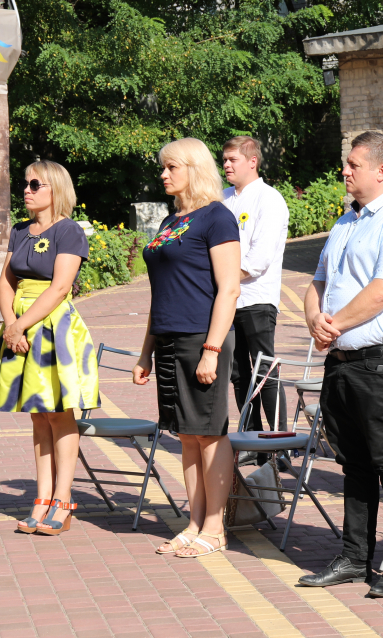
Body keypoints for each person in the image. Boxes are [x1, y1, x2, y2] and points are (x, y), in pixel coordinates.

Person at [297, 131, 383, 599]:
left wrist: (332, 327)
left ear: (381, 170)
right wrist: (315, 318)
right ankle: (355, 556)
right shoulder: (345, 222)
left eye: (353, 164)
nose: (345, 171)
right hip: (342, 361)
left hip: (381, 363)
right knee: (352, 462)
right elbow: (317, 282)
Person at [134, 138, 242, 559]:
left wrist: (212, 349)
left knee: (210, 433)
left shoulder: (218, 218)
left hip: (202, 337)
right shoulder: (170, 221)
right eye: (162, 167)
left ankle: (215, 527)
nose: (163, 173)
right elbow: (158, 293)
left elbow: (229, 288)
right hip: (168, 339)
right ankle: (194, 521)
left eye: (171, 166)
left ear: (194, 168)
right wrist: (146, 350)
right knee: (186, 435)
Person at [0, 161, 99, 536]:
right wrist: (10, 325)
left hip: (51, 326)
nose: (27, 189)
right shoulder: (19, 231)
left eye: (36, 184)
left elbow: (60, 287)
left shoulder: (69, 231)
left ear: (56, 190)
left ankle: (62, 502)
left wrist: (20, 324)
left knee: (59, 413)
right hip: (18, 325)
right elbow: (5, 283)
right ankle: (42, 497)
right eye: (26, 183)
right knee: (38, 414)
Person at [221, 135, 290, 444]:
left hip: (256, 299)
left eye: (232, 160)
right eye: (224, 160)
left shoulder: (269, 199)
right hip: (226, 302)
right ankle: (251, 441)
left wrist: (221, 280)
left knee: (264, 372)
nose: (226, 165)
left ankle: (278, 442)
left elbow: (258, 260)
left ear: (252, 162)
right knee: (238, 375)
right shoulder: (222, 199)